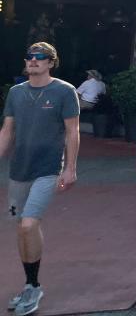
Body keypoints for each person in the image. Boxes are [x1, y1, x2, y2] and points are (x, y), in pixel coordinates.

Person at [0, 42, 79, 316]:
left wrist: (70, 168)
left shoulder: (64, 92)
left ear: (50, 62)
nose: (32, 61)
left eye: (39, 57)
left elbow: (72, 132)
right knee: (21, 228)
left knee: (29, 224)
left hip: (47, 169)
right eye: (30, 57)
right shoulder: (15, 93)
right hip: (18, 169)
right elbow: (7, 130)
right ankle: (28, 283)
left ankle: (34, 285)